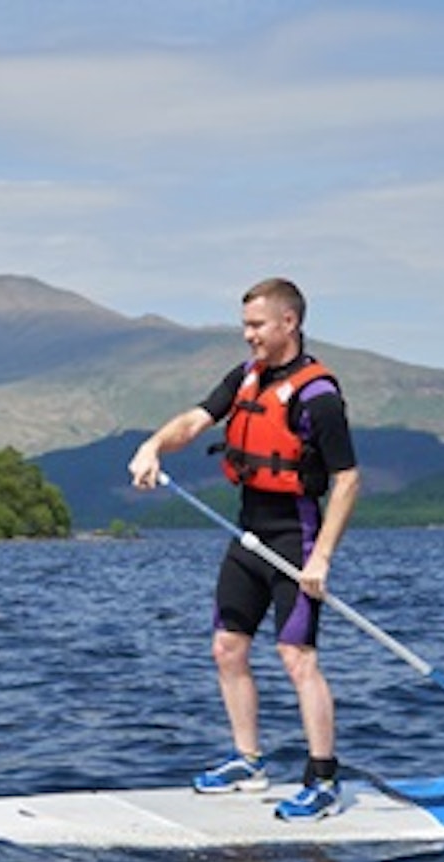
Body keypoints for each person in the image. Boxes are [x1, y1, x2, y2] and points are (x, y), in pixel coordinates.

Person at [128, 277, 361, 821]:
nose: (248, 336)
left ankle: (323, 779)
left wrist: (321, 557)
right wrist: (153, 445)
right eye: (245, 325)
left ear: (289, 323)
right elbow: (194, 420)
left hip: (295, 535)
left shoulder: (318, 396)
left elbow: (347, 480)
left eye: (256, 325)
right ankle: (247, 762)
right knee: (227, 649)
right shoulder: (247, 377)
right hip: (247, 533)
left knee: (296, 657)